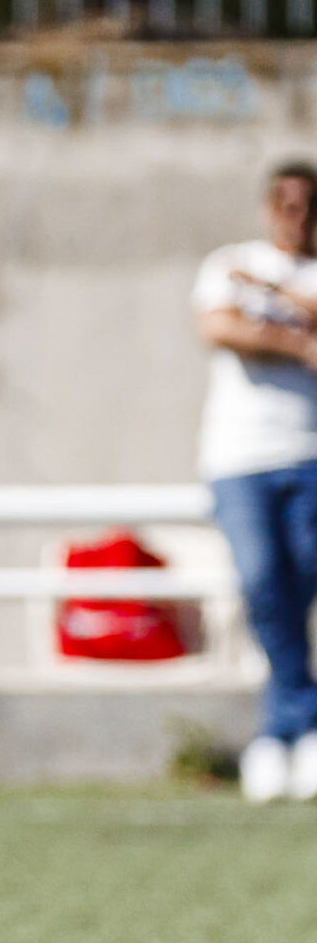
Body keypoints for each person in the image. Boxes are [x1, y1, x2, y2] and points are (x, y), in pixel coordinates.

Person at [193, 162, 317, 802]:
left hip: (311, 455)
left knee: (300, 588)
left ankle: (282, 735)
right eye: (286, 204)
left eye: (308, 205)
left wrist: (269, 299)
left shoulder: (274, 274)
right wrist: (299, 338)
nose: (296, 217)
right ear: (269, 207)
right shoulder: (228, 261)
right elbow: (219, 327)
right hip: (240, 459)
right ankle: (292, 727)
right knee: (263, 582)